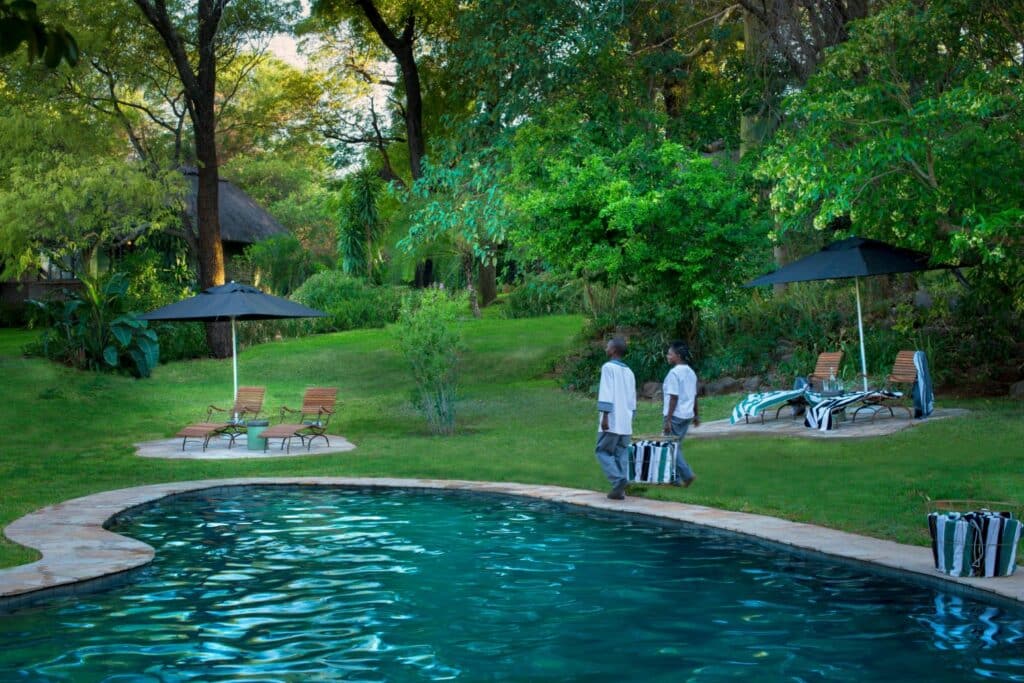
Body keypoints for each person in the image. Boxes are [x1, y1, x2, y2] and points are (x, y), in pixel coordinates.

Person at [595, 336, 636, 500]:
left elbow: (606, 391)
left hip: (612, 419)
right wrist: (631, 416)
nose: (605, 348)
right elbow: (633, 398)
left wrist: (605, 416)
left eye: (607, 346)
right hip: (626, 421)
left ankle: (618, 480)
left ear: (613, 350)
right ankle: (620, 489)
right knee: (621, 453)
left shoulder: (608, 367)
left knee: (602, 451)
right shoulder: (629, 371)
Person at [661, 340, 699, 488]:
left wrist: (668, 420)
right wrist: (696, 415)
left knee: (670, 446)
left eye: (669, 354)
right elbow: (695, 396)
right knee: (676, 446)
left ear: (677, 356)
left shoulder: (674, 373)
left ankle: (687, 475)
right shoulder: (691, 372)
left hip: (675, 415)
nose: (667, 356)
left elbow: (674, 397)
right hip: (687, 415)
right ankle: (674, 479)